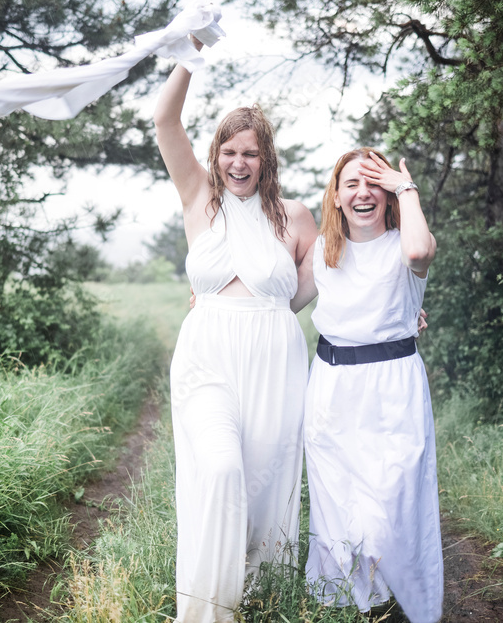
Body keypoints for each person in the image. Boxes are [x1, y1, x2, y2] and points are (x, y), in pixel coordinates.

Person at [154, 37, 318, 623]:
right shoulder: (198, 197)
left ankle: (261, 599)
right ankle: (206, 612)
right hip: (207, 354)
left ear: (266, 158)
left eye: (250, 153)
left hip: (274, 356)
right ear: (217, 154)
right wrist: (190, 52)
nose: (239, 163)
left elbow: (313, 289)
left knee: (266, 487)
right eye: (230, 152)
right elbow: (163, 118)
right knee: (220, 469)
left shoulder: (296, 217)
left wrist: (406, 304)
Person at [300, 147, 442, 623]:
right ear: (336, 197)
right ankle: (350, 607)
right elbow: (283, 299)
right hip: (332, 386)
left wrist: (407, 186)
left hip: (392, 389)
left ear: (388, 195)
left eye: (373, 184)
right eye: (351, 185)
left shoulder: (406, 243)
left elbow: (421, 253)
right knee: (337, 504)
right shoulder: (324, 250)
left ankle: (396, 598)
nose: (363, 193)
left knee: (391, 500)